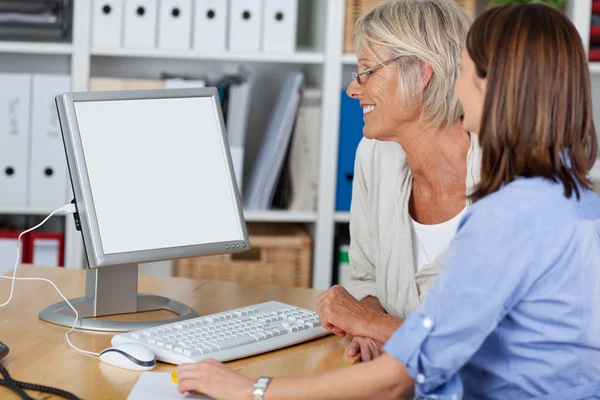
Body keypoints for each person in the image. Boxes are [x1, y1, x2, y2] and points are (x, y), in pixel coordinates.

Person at [174, 3, 600, 399]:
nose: (352, 89)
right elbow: (383, 299)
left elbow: (406, 372)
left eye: (467, 71)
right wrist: (368, 323)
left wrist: (252, 390)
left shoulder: (504, 214)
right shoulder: (574, 201)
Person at [338, 0, 479, 361]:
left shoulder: (510, 177)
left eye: (367, 71)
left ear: (422, 72)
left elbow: (482, 348)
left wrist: (368, 322)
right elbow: (366, 280)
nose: (354, 89)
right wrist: (368, 328)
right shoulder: (374, 155)